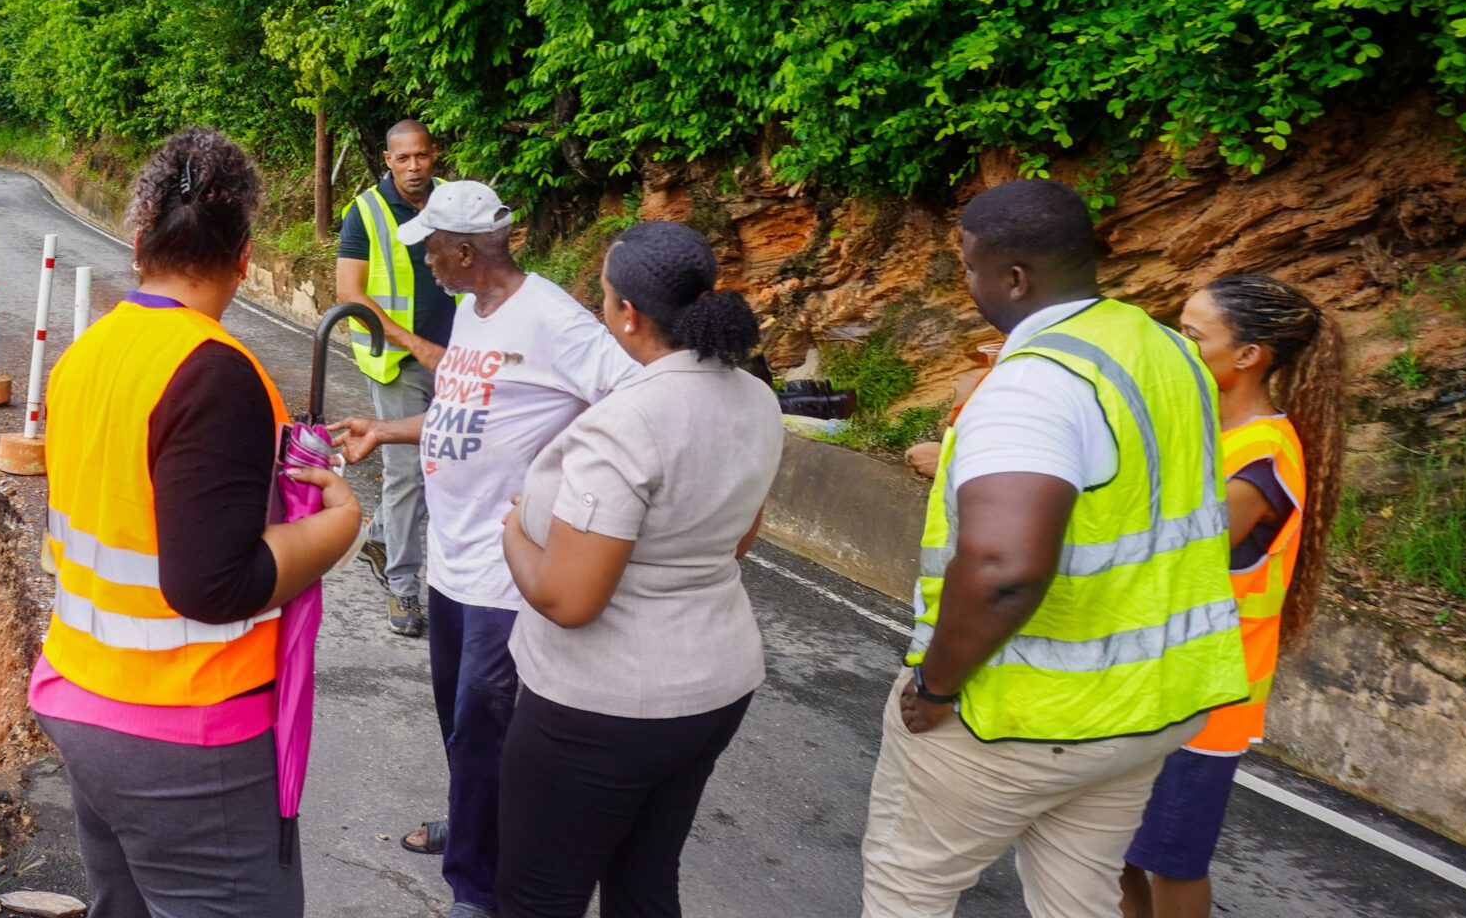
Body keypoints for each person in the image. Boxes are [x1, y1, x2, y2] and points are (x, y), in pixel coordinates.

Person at [861, 178, 1248, 918]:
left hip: (1022, 712)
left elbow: (1004, 568)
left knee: (909, 887)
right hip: (1145, 705)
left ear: (1013, 277)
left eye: (970, 266)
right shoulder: (1166, 350)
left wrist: (935, 687)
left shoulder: (1038, 383)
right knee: (1079, 898)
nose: (966, 283)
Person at [29, 127, 363, 918]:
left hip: (84, 698)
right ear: (245, 258)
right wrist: (339, 525)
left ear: (138, 240)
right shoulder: (215, 373)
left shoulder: (90, 352)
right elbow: (212, 583)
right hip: (183, 731)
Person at [333, 181, 638, 918]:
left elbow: (637, 403)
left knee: (485, 726)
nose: (427, 262)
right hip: (454, 562)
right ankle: (475, 824)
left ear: (466, 251)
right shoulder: (473, 311)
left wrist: (567, 494)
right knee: (461, 723)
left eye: (432, 249)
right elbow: (465, 413)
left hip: (508, 572)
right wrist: (389, 432)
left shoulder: (555, 321)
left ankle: (477, 889)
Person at [495, 221, 781, 918]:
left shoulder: (628, 422)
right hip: (712, 688)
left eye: (602, 294)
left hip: (604, 704)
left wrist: (513, 535)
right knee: (644, 882)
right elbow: (738, 540)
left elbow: (568, 599)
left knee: (536, 897)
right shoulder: (755, 397)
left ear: (628, 313)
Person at [1120, 275, 1345, 918]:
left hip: (1207, 697)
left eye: (1192, 336)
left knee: (1172, 862)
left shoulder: (1264, 455)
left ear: (1247, 355)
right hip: (1152, 680)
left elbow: (1181, 546)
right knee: (1114, 850)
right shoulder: (1208, 429)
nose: (1177, 345)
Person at [336, 118, 456, 637]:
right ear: (388, 160)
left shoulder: (455, 199)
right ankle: (404, 587)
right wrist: (416, 345)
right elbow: (351, 293)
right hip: (399, 362)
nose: (413, 167)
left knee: (446, 463)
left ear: (434, 156)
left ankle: (382, 532)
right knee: (408, 472)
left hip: (457, 358)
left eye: (421, 157)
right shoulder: (364, 212)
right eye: (402, 158)